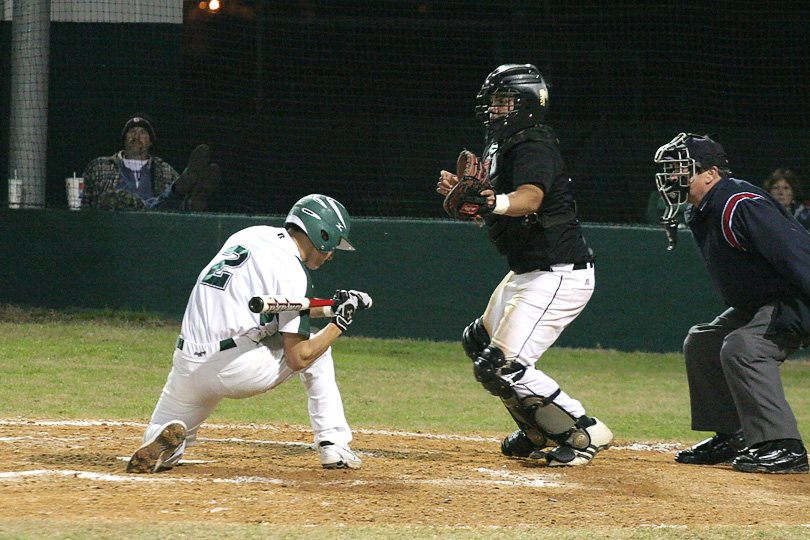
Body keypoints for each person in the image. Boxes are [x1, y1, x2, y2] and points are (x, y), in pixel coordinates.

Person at [436, 64, 613, 467]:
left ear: (528, 105)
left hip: (557, 271)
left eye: (504, 101)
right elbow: (501, 207)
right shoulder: (501, 144)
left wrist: (490, 201)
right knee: (479, 344)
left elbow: (530, 199)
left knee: (503, 366)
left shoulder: (533, 141)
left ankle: (583, 430)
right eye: (494, 101)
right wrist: (474, 200)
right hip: (529, 270)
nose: (495, 109)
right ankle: (539, 428)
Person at [126, 194, 371, 473]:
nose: (331, 255)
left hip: (188, 362)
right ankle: (334, 444)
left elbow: (270, 309)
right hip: (237, 368)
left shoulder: (250, 235)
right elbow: (298, 358)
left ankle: (165, 444)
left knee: (164, 429)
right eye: (332, 245)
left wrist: (330, 306)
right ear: (322, 233)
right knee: (319, 349)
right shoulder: (294, 273)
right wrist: (338, 324)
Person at [653, 133, 810, 474]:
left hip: (795, 298)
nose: (672, 178)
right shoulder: (707, 207)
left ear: (710, 173)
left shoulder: (741, 203)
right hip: (763, 302)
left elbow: (797, 253)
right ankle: (734, 434)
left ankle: (782, 446)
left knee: (744, 348)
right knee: (703, 342)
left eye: (681, 169)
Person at [81, 115, 220, 211]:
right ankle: (183, 194)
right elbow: (84, 201)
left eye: (142, 133)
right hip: (114, 223)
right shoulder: (100, 165)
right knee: (118, 199)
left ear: (150, 141)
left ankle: (193, 195)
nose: (136, 136)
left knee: (171, 200)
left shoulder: (164, 169)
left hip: (153, 227)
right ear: (124, 139)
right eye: (132, 132)